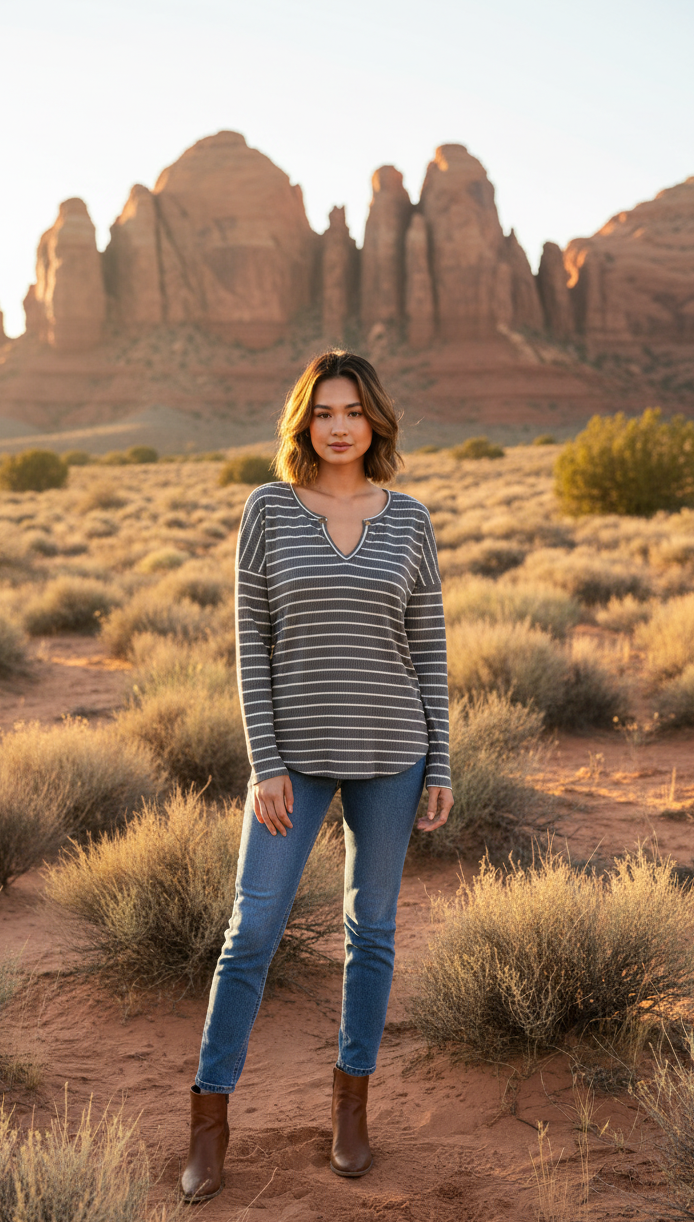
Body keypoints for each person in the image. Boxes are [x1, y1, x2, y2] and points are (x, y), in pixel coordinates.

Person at [181, 350, 454, 1202]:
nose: (339, 426)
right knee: (252, 931)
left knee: (371, 932)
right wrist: (265, 762)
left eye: (353, 411)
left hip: (394, 753)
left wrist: (441, 759)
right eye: (324, 411)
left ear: (375, 421)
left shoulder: (409, 520)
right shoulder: (268, 508)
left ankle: (350, 1109)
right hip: (291, 763)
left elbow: (430, 647)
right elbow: (250, 642)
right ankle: (209, 1122)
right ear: (304, 421)